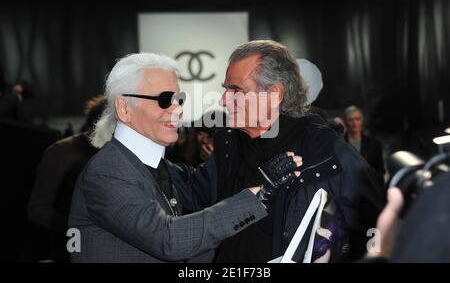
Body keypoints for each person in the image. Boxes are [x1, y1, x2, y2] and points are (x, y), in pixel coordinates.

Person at [68, 53, 302, 263]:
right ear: (124, 108)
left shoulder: (157, 168)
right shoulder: (108, 172)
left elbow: (204, 199)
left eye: (179, 99)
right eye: (163, 99)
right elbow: (170, 240)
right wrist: (256, 195)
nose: (177, 109)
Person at [211, 40, 385, 262]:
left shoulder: (331, 155)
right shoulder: (228, 146)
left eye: (236, 90)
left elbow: (375, 240)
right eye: (226, 89)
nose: (224, 100)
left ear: (274, 94)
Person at [27, 95, 106, 262]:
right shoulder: (61, 152)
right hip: (70, 251)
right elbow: (38, 209)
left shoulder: (122, 154)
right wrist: (77, 228)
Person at [343, 105, 386, 186]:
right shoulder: (339, 144)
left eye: (357, 119)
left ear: (362, 120)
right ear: (345, 122)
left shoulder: (374, 145)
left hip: (369, 189)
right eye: (351, 120)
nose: (354, 123)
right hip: (346, 189)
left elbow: (380, 171)